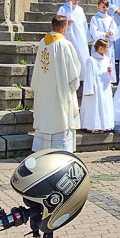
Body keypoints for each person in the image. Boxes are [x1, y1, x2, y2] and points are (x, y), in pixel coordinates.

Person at [30, 14, 81, 149]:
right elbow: (73, 70)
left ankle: (43, 147)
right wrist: (74, 84)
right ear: (64, 28)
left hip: (44, 90)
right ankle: (61, 148)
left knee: (46, 116)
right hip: (60, 92)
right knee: (61, 117)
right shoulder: (65, 44)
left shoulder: (43, 43)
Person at [80, 38, 115, 133]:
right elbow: (89, 75)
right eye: (106, 47)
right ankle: (93, 126)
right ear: (100, 48)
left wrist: (109, 72)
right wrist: (89, 89)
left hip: (104, 86)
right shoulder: (91, 60)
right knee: (95, 106)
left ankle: (104, 125)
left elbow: (110, 75)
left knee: (104, 106)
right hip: (95, 86)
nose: (108, 49)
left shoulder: (107, 59)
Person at [57, 0, 91, 72]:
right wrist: (66, 23)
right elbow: (57, 22)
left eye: (78, 0)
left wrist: (86, 38)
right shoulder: (63, 9)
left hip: (80, 38)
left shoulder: (80, 10)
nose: (76, 2)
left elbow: (84, 24)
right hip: (69, 36)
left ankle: (82, 77)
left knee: (81, 58)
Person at [88, 0, 119, 80]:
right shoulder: (95, 18)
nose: (105, 9)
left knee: (108, 62)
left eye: (107, 7)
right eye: (103, 7)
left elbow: (116, 31)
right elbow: (93, 32)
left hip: (109, 44)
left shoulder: (110, 19)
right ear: (98, 7)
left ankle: (109, 79)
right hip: (99, 45)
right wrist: (104, 34)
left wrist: (111, 33)